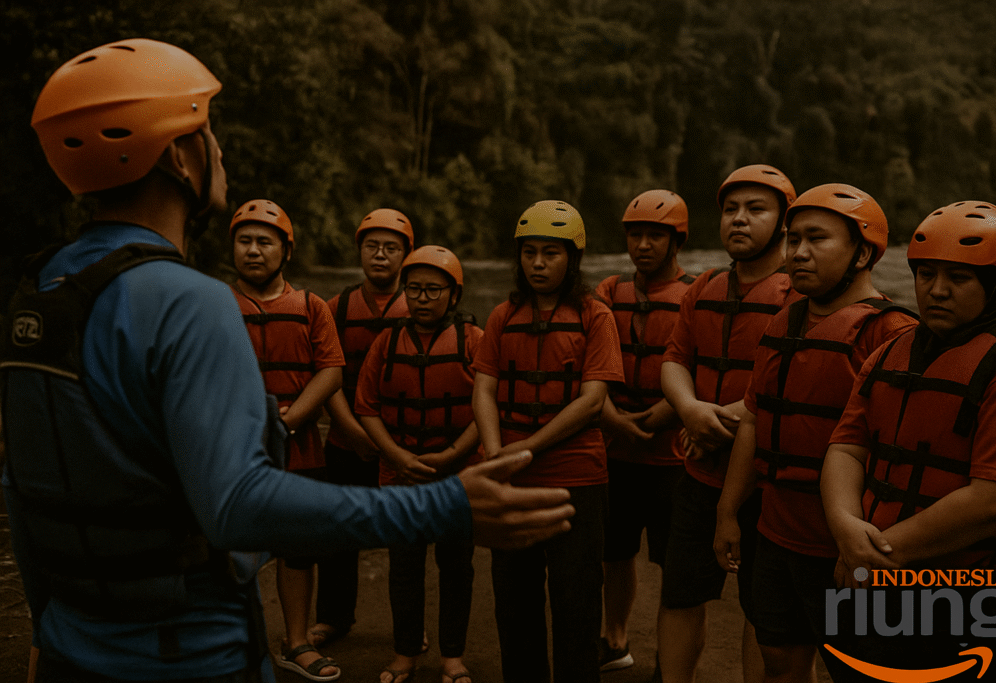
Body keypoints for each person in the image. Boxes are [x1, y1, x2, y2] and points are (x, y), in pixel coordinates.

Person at [0, 38, 575, 682]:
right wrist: (448, 505)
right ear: (178, 157)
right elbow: (239, 504)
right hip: (190, 657)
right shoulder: (191, 302)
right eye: (206, 132)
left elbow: (25, 489)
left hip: (67, 650)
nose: (219, 150)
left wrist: (41, 645)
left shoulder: (41, 291)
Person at [712, 184, 917, 683]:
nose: (797, 253)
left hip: (843, 549)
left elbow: (898, 456)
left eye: (816, 239)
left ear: (863, 252)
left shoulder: (889, 334)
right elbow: (757, 420)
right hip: (776, 534)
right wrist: (727, 512)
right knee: (780, 660)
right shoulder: (784, 321)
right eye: (792, 239)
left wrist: (867, 549)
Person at [820, 201, 996, 682]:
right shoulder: (893, 349)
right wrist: (845, 527)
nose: (936, 291)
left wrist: (873, 558)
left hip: (971, 588)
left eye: (959, 278)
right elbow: (847, 447)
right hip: (875, 572)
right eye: (926, 274)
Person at [472, 200, 624, 683]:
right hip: (511, 478)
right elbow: (485, 387)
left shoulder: (595, 316)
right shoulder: (502, 316)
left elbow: (593, 399)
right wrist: (496, 454)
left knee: (576, 600)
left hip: (576, 478)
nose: (537, 264)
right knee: (514, 601)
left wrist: (526, 449)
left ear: (572, 259)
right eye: (530, 253)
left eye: (550, 254)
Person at [659, 164, 799, 683]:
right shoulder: (706, 288)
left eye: (755, 209)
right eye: (731, 209)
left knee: (760, 611)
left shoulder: (800, 294)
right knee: (679, 592)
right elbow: (674, 359)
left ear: (785, 221)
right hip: (699, 474)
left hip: (767, 488)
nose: (739, 219)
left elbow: (794, 384)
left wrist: (728, 418)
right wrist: (691, 410)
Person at [229, 199, 346, 680]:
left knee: (298, 548)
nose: (253, 251)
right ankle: (234, 642)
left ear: (286, 251)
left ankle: (295, 641)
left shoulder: (312, 307)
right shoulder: (214, 305)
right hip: (232, 447)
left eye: (264, 241)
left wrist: (288, 420)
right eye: (244, 241)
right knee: (230, 548)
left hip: (297, 444)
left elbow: (331, 371)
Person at [356, 245, 482, 683]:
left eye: (433, 290)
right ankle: (405, 653)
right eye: (414, 290)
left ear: (454, 294)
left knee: (456, 567)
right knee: (404, 567)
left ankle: (452, 657)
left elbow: (487, 408)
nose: (422, 298)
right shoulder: (385, 343)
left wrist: (452, 455)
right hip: (400, 473)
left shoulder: (474, 341)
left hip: (457, 474)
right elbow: (367, 406)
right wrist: (397, 456)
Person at [592, 189, 693, 673]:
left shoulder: (696, 294)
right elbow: (589, 362)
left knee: (672, 566)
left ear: (677, 241)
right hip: (615, 449)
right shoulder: (608, 292)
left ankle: (667, 659)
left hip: (671, 457)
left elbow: (699, 369)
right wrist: (612, 417)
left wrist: (657, 418)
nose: (644, 244)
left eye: (656, 235)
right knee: (615, 553)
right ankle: (615, 639)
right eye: (636, 235)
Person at [315, 207, 413, 648]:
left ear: (406, 256)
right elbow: (326, 375)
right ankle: (334, 617)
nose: (380, 255)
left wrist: (390, 445)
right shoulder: (335, 308)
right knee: (337, 532)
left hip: (402, 444)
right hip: (346, 438)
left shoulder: (423, 304)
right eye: (372, 246)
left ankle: (410, 627)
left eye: (390, 248)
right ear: (360, 252)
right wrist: (352, 432)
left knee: (405, 541)